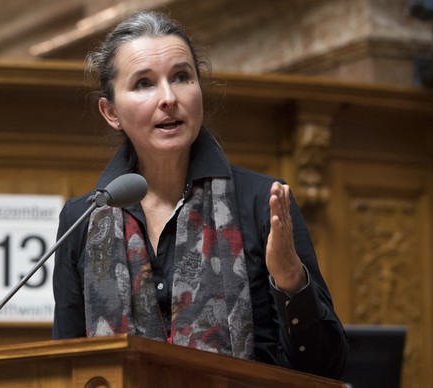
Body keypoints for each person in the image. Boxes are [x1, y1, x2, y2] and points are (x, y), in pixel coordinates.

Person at [52, 10, 348, 379]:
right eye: (144, 83)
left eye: (181, 77)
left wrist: (291, 282)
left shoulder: (262, 203)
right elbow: (66, 369)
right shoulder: (82, 220)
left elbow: (327, 367)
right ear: (110, 111)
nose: (169, 97)